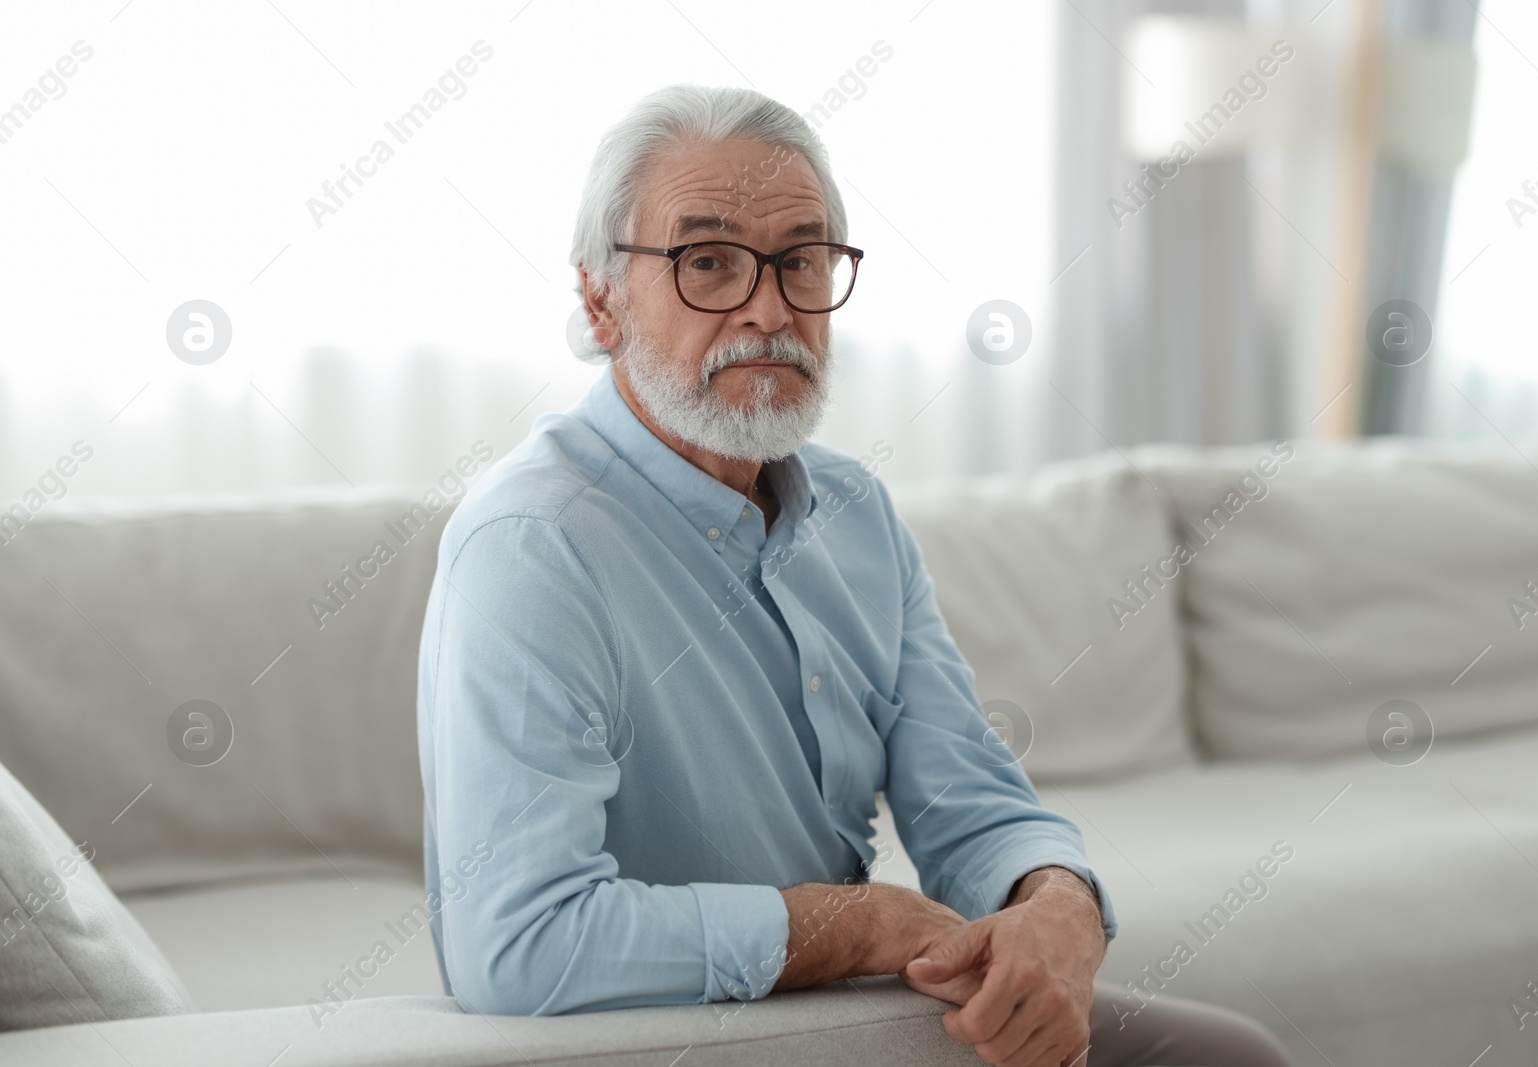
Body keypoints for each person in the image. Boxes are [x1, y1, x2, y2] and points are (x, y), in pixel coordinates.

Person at [416, 83, 1293, 1067]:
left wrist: (1059, 903)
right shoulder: (532, 542)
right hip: (660, 1036)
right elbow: (517, 943)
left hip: (855, 1017)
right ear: (599, 296)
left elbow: (967, 798)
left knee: (1225, 1053)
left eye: (801, 259)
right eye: (707, 261)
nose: (768, 307)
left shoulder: (856, 513)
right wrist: (860, 924)